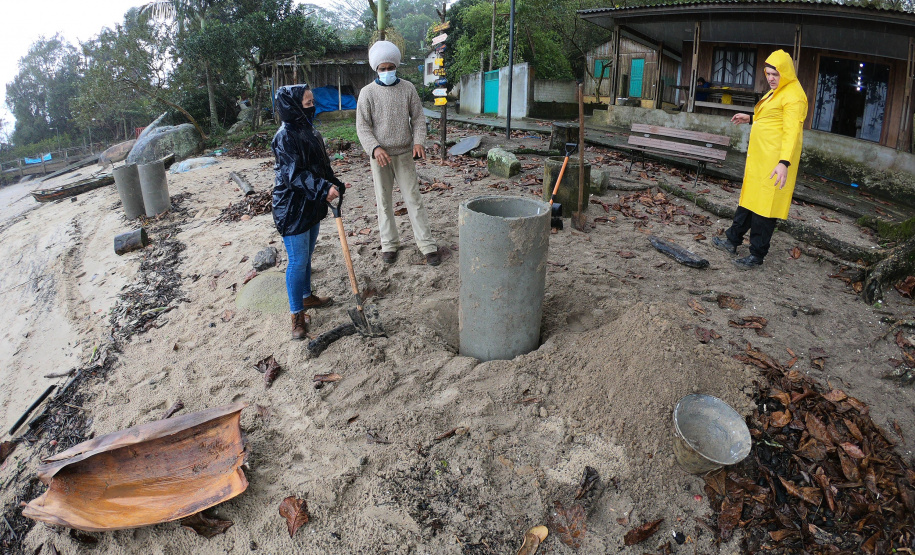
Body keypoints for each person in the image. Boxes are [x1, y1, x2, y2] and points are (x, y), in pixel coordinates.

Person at [713, 50, 808, 269]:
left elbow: (792, 132)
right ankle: (732, 240)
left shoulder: (794, 96)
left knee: (765, 209)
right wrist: (751, 118)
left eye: (776, 74)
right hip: (761, 159)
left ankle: (756, 255)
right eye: (768, 73)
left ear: (786, 72)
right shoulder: (778, 91)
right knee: (749, 200)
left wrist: (784, 163)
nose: (771, 78)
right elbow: (773, 118)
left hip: (775, 162)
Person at [356, 40, 440, 266]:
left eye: (390, 67)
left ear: (396, 66)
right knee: (383, 201)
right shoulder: (367, 93)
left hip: (404, 153)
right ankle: (389, 244)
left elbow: (418, 118)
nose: (387, 71)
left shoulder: (408, 88)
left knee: (414, 199)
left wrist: (418, 141)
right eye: (382, 68)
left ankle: (427, 245)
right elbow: (362, 127)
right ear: (376, 69)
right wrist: (374, 148)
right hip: (380, 157)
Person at [271, 84, 343, 339]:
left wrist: (333, 183)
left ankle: (306, 296)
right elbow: (293, 175)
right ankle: (297, 316)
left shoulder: (311, 131)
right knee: (297, 261)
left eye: (313, 102)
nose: (313, 107)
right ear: (293, 106)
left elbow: (321, 166)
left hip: (311, 202)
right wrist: (323, 188)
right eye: (308, 103)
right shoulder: (284, 137)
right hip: (291, 207)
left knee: (307, 256)